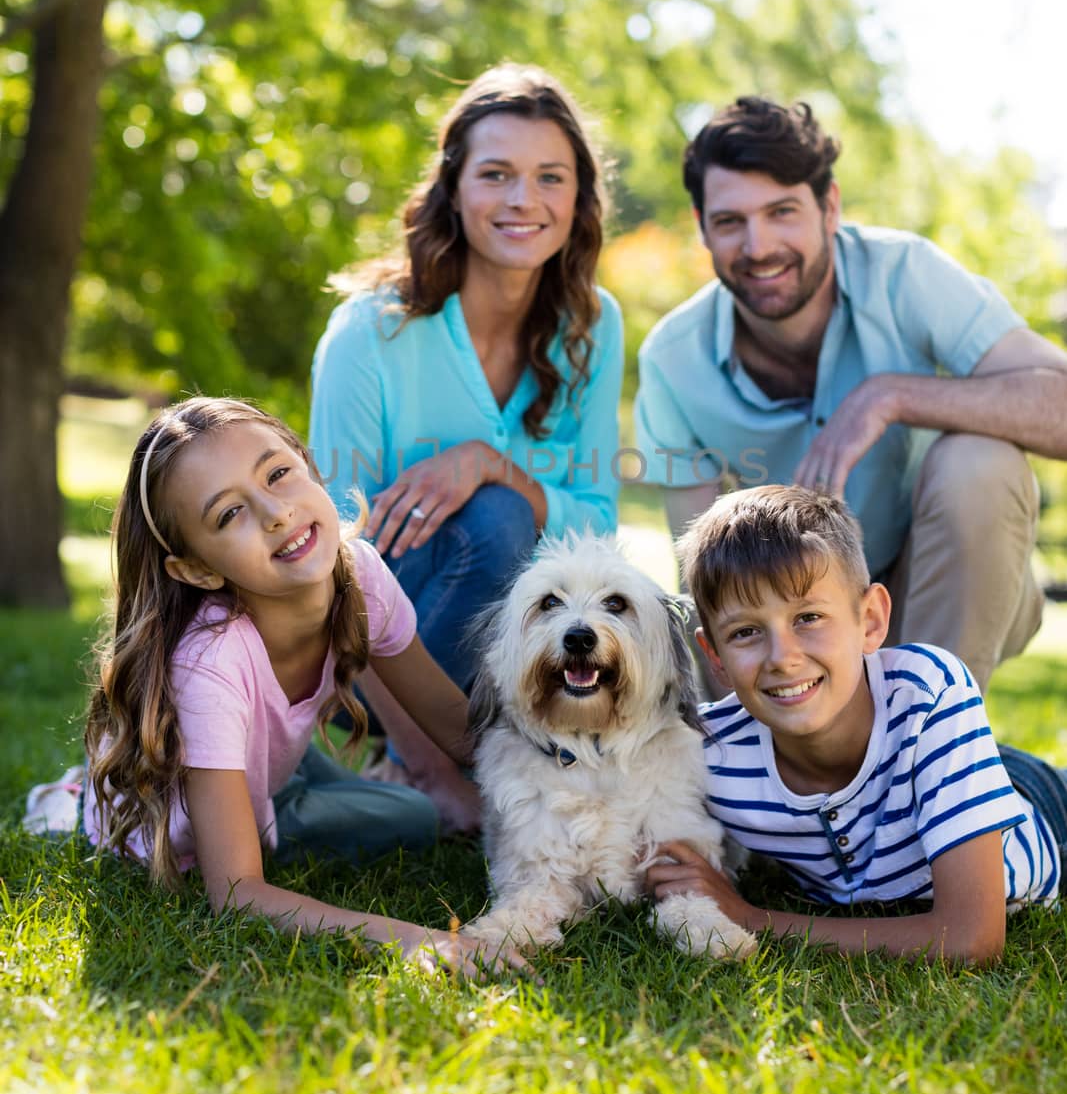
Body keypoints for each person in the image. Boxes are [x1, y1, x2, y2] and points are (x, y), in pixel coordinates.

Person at [83, 397, 528, 979]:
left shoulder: (360, 574)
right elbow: (237, 894)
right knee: (407, 822)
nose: (275, 512)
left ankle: (292, 797)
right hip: (186, 813)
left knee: (417, 817)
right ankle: (69, 801)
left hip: (270, 766)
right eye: (228, 515)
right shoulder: (210, 665)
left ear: (308, 463)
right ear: (196, 570)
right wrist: (418, 939)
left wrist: (585, 783)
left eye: (277, 473)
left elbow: (459, 728)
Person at [634, 94, 1067, 691]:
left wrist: (888, 396)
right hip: (796, 613)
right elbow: (701, 582)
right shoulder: (670, 358)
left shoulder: (907, 273)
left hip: (951, 585)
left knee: (980, 461)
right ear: (703, 226)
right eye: (731, 221)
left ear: (829, 206)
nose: (758, 247)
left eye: (782, 211)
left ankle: (935, 741)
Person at [310, 64, 624, 822]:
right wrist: (436, 767)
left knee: (505, 512)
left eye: (551, 177)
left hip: (516, 653)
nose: (524, 201)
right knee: (494, 522)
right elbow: (327, 563)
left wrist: (493, 465)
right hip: (361, 659)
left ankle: (502, 757)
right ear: (452, 189)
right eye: (496, 174)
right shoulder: (371, 330)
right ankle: (411, 758)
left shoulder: (592, 325)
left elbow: (598, 528)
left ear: (579, 197)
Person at [644, 485, 1067, 964]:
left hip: (1044, 814)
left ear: (870, 620)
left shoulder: (929, 693)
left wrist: (751, 917)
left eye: (808, 617)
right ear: (714, 656)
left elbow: (972, 939)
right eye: (746, 632)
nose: (783, 658)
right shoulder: (709, 753)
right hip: (939, 775)